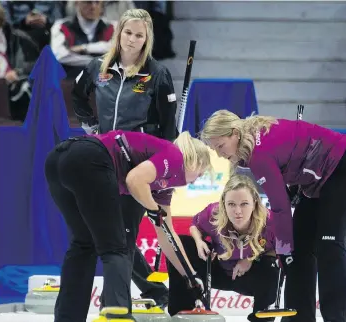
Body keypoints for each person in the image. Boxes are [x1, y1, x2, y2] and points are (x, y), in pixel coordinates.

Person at [199, 110, 346, 322]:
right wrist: (288, 250)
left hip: (343, 166)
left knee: (328, 243)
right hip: (315, 179)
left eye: (221, 146)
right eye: (214, 149)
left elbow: (280, 207)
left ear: (234, 134)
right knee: (299, 251)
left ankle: (336, 318)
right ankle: (299, 318)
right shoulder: (249, 139)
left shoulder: (257, 154)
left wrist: (282, 249)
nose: (219, 154)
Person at [44, 130, 212, 322]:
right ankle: (118, 314)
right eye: (202, 171)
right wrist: (153, 209)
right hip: (90, 158)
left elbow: (167, 234)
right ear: (195, 161)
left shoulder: (162, 183)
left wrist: (189, 275)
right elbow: (134, 180)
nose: (198, 178)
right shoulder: (174, 156)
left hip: (58, 160)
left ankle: (68, 318)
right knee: (117, 247)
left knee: (84, 244)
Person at [72, 8, 179, 306]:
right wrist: (91, 127)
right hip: (104, 160)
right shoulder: (98, 67)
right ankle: (156, 292)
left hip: (138, 166)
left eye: (139, 35)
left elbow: (169, 125)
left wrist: (161, 168)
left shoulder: (157, 73)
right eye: (128, 33)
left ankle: (116, 306)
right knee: (109, 235)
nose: (132, 40)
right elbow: (79, 96)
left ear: (147, 39)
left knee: (123, 236)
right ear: (119, 33)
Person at [167, 174, 279, 322]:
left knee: (271, 264)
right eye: (231, 204)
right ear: (223, 204)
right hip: (217, 269)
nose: (238, 211)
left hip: (249, 276)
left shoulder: (270, 222)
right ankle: (182, 313)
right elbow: (195, 226)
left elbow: (278, 250)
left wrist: (251, 259)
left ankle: (262, 318)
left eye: (244, 204)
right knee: (182, 243)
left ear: (255, 203)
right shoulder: (214, 213)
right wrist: (199, 241)